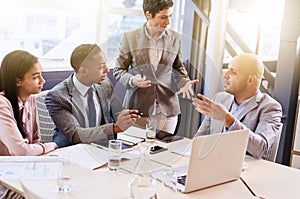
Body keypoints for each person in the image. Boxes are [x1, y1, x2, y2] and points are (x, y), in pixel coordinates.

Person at [113, 0, 198, 134]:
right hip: (138, 109)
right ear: (148, 15)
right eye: (163, 17)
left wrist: (184, 82)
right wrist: (132, 80)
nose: (168, 22)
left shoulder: (175, 38)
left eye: (170, 16)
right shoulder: (130, 38)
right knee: (136, 151)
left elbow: (178, 67)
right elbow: (119, 70)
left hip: (167, 109)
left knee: (163, 152)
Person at [45, 44, 140, 148]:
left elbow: (116, 112)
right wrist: (115, 128)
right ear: (83, 71)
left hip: (102, 146)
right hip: (72, 149)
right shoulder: (57, 96)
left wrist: (127, 116)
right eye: (101, 67)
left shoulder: (104, 84)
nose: (107, 70)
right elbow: (76, 135)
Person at [192, 53, 282, 158]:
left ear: (251, 80)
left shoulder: (270, 107)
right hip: (211, 163)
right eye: (227, 69)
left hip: (242, 170)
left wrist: (228, 120)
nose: (225, 75)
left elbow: (260, 148)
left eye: (233, 72)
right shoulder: (219, 99)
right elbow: (199, 140)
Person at [0, 50, 58, 199]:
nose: (42, 81)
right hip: (6, 180)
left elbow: (35, 139)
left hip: (24, 170)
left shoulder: (30, 99)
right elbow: (21, 151)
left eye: (41, 74)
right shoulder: (2, 104)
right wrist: (50, 145)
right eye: (35, 77)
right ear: (18, 81)